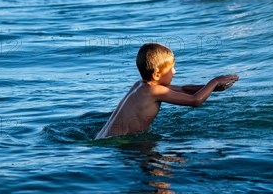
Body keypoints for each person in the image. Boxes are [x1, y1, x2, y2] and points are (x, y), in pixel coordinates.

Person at [95, 42, 239, 139]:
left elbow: (183, 89)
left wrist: (213, 88)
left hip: (104, 138)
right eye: (171, 69)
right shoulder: (154, 91)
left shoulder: (141, 85)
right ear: (157, 74)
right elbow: (195, 101)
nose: (174, 72)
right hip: (121, 143)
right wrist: (214, 81)